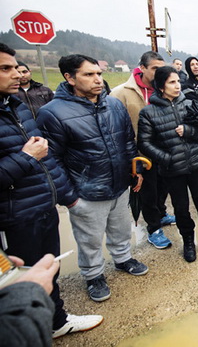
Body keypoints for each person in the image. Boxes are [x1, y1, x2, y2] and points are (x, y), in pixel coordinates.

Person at [0, 43, 103, 338]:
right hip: (14, 214)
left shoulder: (16, 107)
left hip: (41, 204)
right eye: (5, 68)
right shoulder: (44, 110)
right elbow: (34, 155)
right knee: (21, 278)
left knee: (48, 269)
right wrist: (25, 158)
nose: (16, 74)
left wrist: (64, 195)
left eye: (14, 66)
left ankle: (56, 321)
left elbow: (47, 157)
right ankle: (26, 333)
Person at [37, 54, 148, 303]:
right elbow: (49, 160)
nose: (98, 80)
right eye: (89, 75)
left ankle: (122, 259)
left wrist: (135, 171)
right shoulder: (52, 113)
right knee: (89, 239)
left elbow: (128, 141)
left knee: (120, 228)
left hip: (119, 184)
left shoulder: (114, 104)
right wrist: (70, 197)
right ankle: (93, 274)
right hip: (86, 191)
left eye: (98, 73)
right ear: (69, 78)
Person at [138, 66, 198, 262]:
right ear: (160, 86)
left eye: (177, 81)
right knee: (181, 208)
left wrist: (188, 131)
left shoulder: (190, 104)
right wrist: (166, 159)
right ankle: (188, 242)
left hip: (196, 164)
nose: (177, 86)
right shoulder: (148, 113)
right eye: (171, 82)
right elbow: (144, 143)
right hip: (172, 169)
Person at [111, 51, 176, 250]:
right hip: (141, 154)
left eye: (161, 68)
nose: (159, 72)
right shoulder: (121, 93)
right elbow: (115, 129)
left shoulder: (165, 89)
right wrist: (131, 157)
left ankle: (162, 214)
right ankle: (154, 228)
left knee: (164, 187)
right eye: (155, 68)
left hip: (165, 150)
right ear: (142, 68)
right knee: (147, 192)